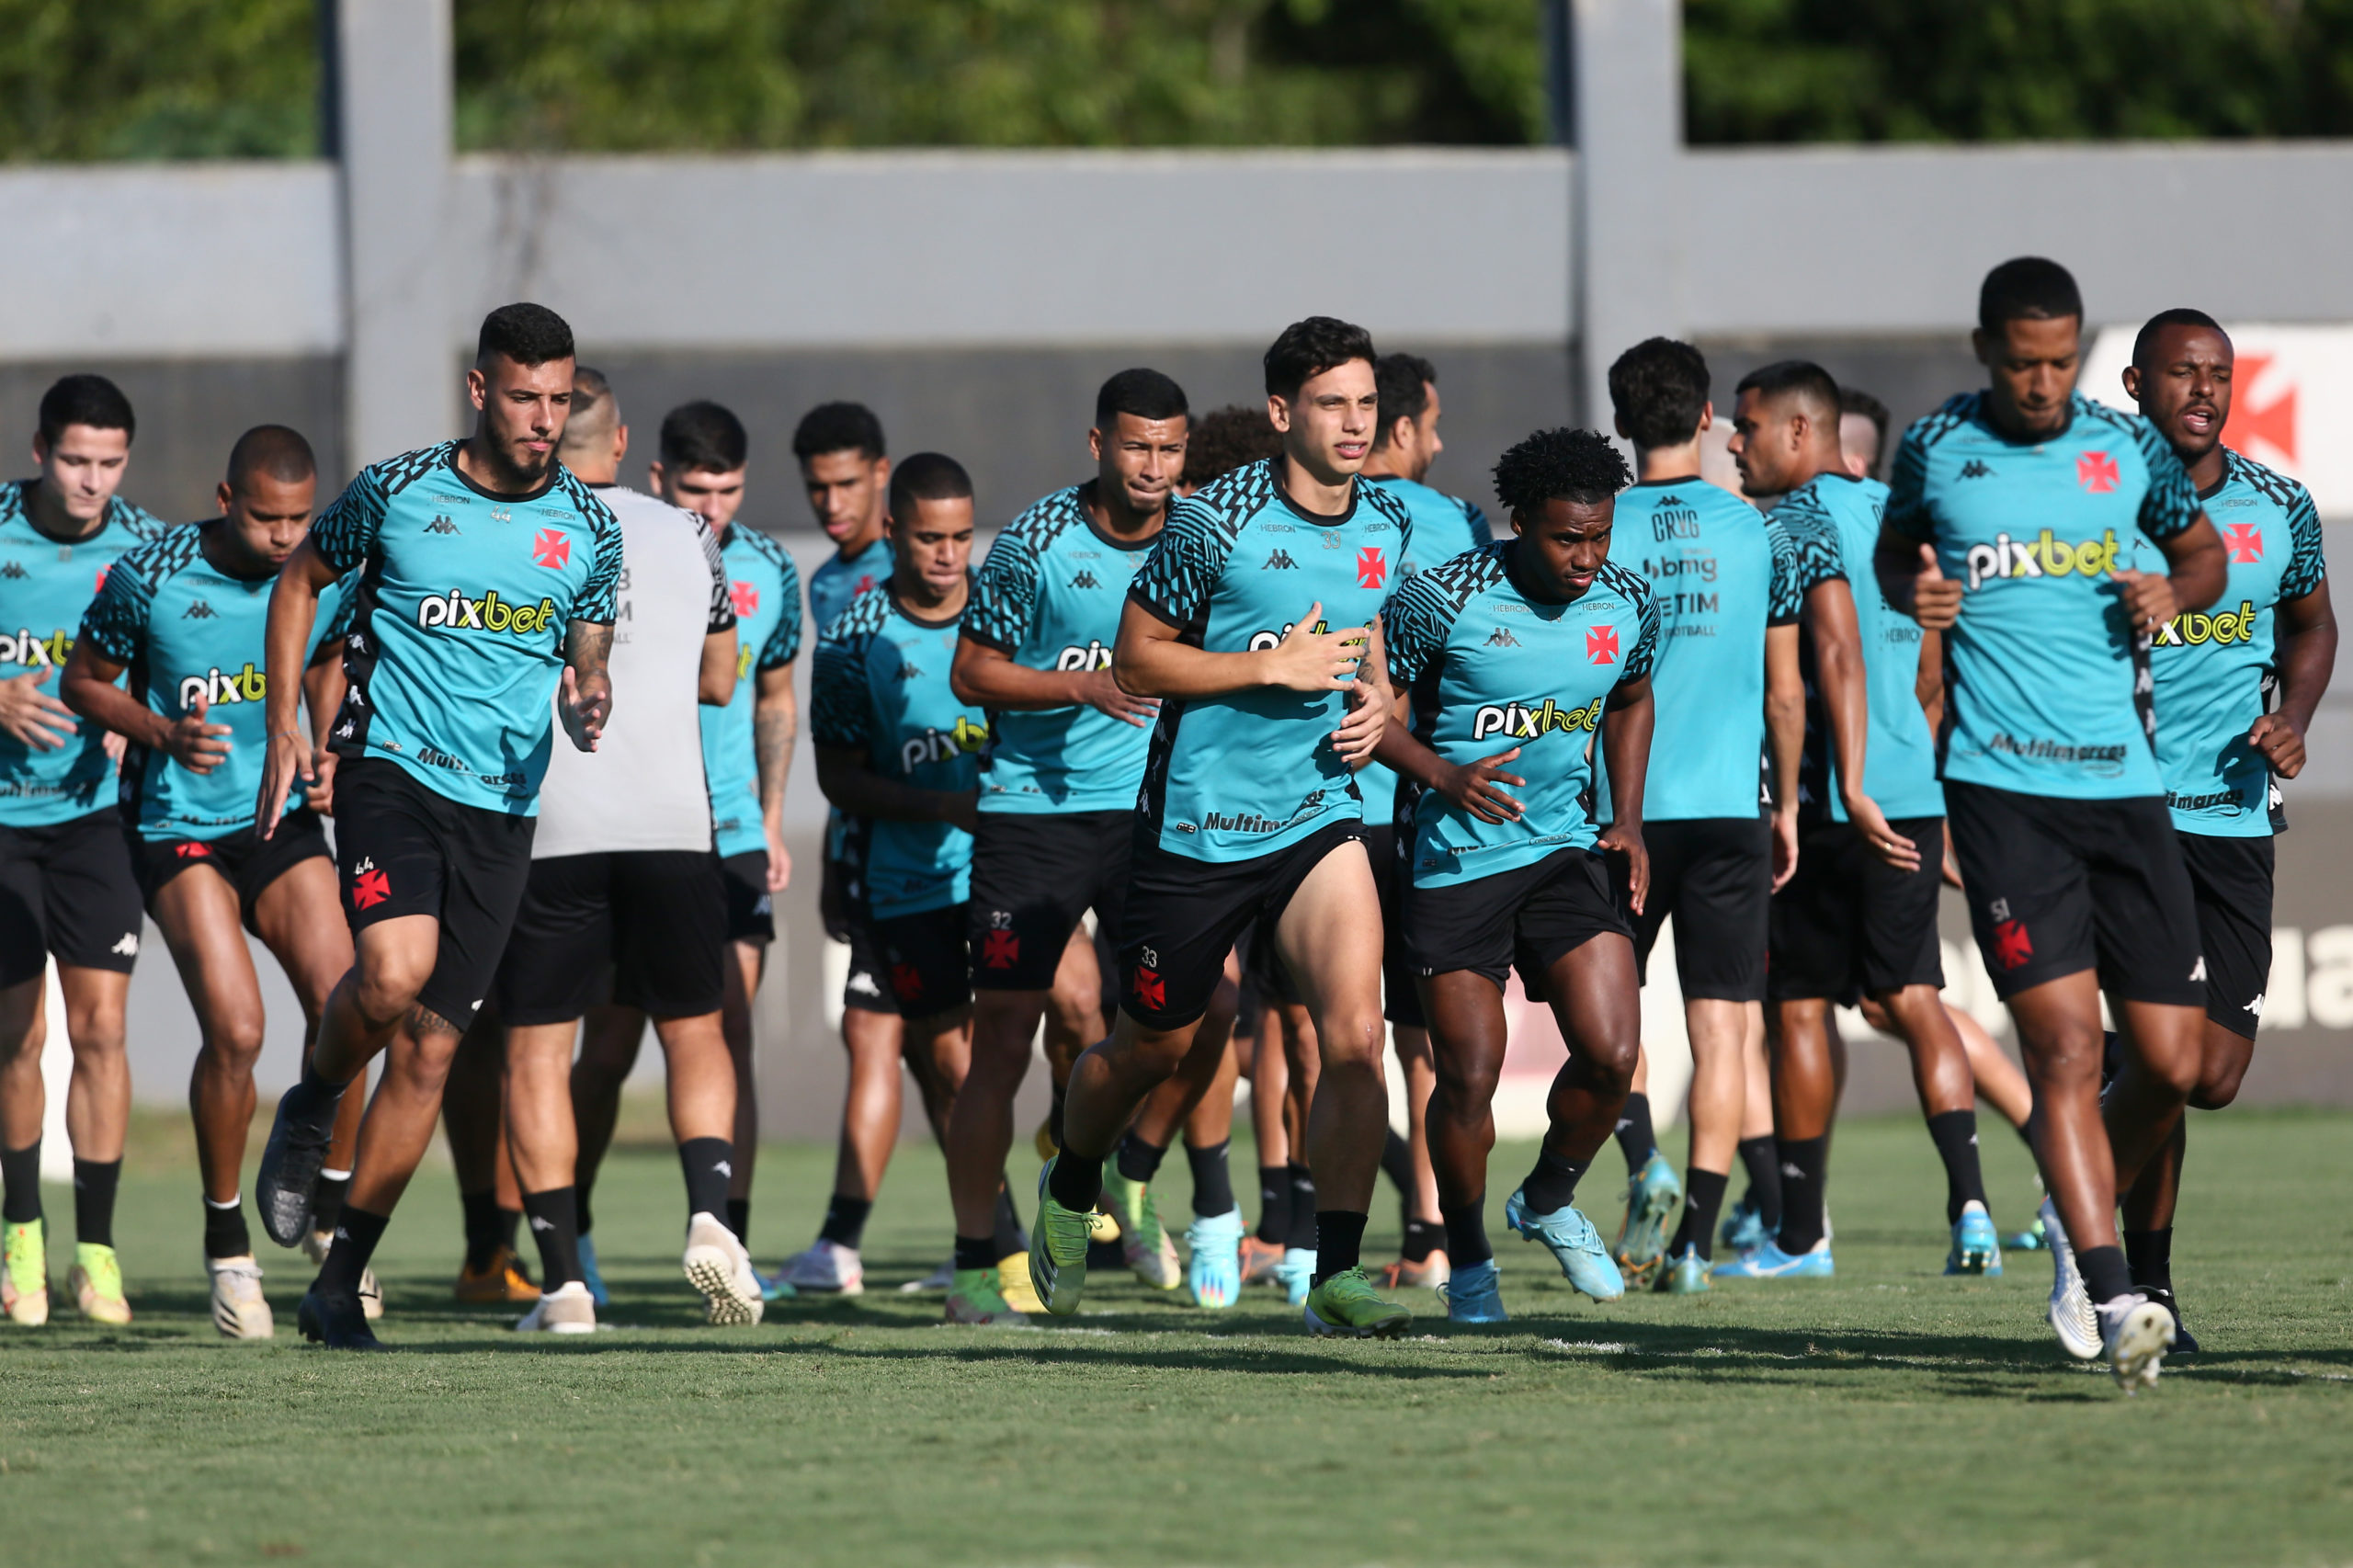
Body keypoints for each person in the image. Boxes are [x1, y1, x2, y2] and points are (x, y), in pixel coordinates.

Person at [1874, 256, 2227, 1392]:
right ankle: (2110, 1285)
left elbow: (2201, 554)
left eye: (2060, 361)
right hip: (2001, 792)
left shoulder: (2126, 449)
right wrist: (1915, 593)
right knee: (2067, 1050)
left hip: (2123, 788)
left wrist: (2174, 592)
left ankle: (2081, 1220)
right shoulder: (1936, 446)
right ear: (1986, 350)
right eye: (2023, 363)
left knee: (2172, 1062)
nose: (2042, 383)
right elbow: (1893, 555)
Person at [1028, 315, 1415, 1339]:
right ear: (1283, 412)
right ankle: (1073, 1179)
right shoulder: (1214, 521)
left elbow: (1371, 639)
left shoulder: (1387, 521)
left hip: (1318, 818)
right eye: (1331, 404)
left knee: (1353, 1038)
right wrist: (1267, 667)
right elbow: (1136, 659)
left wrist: (1380, 705)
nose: (1354, 423)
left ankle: (1335, 1270)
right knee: (1149, 1049)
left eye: (1366, 403)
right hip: (1197, 831)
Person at [250, 301, 623, 1350]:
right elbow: (300, 580)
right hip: (391, 770)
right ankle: (316, 1097)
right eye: (524, 397)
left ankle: (338, 1285)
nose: (543, 420)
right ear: (479, 389)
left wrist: (589, 695)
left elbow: (588, 655)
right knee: (392, 971)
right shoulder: (399, 490)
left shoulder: (590, 530)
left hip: (502, 809)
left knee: (429, 1054)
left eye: (559, 400)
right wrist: (283, 721)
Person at [57, 427, 360, 1337]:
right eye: (266, 518)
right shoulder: (150, 575)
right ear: (226, 500)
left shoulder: (322, 572)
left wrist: (325, 746)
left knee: (353, 1003)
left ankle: (328, 1212)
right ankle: (229, 1247)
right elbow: (82, 682)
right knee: (238, 1028)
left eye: (299, 518)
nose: (284, 536)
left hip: (278, 823)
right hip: (176, 826)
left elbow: (326, 658)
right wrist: (161, 732)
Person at [485, 368, 763, 1333]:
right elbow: (722, 678)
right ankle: (710, 1215)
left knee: (537, 1050)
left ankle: (564, 1280)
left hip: (551, 825)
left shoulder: (508, 529)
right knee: (695, 1029)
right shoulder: (688, 531)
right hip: (673, 821)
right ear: (621, 440)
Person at [1722, 361, 2002, 1280]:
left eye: (1748, 427)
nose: (1736, 444)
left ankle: (1801, 1234)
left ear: (1800, 431)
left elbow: (1808, 672)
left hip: (1824, 805)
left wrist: (1819, 786)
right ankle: (1971, 1207)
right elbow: (1932, 673)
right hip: (1913, 792)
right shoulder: (1900, 516)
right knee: (1915, 997)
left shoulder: (1786, 525)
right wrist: (1911, 762)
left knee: (1799, 1008)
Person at [1376, 425, 1656, 1323]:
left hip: (1564, 850)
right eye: (1566, 538)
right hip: (1454, 860)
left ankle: (1546, 1198)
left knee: (1612, 1054)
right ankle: (1465, 1259)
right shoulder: (1441, 597)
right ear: (1522, 521)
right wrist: (1443, 776)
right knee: (1467, 1078)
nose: (1586, 557)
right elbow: (1370, 712)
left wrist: (1627, 819)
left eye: (1599, 536)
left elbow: (1632, 698)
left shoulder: (1627, 600)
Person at [942, 369, 1201, 1325]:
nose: (1154, 466)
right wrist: (1079, 686)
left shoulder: (1199, 537)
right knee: (1003, 1042)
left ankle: (1117, 1166)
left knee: (1199, 1011)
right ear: (1098, 445)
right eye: (1136, 446)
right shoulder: (1036, 542)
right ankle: (975, 1265)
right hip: (1032, 821)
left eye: (1169, 448)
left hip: (1152, 820)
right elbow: (971, 672)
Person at [2119, 308, 2334, 1351]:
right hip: (2121, 817)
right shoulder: (2093, 506)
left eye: (2217, 373)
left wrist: (2295, 716)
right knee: (2160, 1064)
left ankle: (2084, 1144)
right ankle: (2137, 1286)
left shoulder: (2279, 504)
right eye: (2181, 372)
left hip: (2235, 813)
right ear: (2134, 383)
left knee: (2209, 1077)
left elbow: (2312, 623)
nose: (2202, 390)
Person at [563, 397, 802, 1301]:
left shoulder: (769, 568)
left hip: (728, 830)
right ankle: (573, 1232)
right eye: (697, 488)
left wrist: (771, 816)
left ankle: (728, 1236)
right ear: (656, 474)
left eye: (729, 489)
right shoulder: (629, 543)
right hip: (633, 818)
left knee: (728, 1029)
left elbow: (771, 693)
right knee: (609, 1044)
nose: (714, 506)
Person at [1597, 338, 1805, 1293]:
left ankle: (1646, 1162)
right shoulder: (1758, 529)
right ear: (1708, 415)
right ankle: (1693, 1246)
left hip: (1623, 815)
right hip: (1731, 808)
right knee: (1724, 1033)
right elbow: (1786, 692)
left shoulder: (1596, 529)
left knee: (1611, 1018)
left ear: (1619, 421)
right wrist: (1787, 802)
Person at [0, 375, 165, 1328]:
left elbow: (177, 657)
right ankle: (21, 1232)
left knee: (101, 1031)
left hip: (98, 821)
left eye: (108, 462)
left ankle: (96, 1254)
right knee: (18, 1036)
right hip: (4, 825)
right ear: (39, 452)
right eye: (73, 460)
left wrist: (127, 710)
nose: (91, 481)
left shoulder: (146, 547)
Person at [808, 452, 990, 1292]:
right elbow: (839, 780)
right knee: (945, 1064)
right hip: (906, 885)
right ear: (893, 533)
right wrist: (943, 806)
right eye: (928, 539)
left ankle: (1091, 1191)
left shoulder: (1006, 611)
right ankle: (992, 1244)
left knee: (1074, 1007)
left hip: (1006, 874)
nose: (948, 555)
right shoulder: (851, 641)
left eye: (960, 537)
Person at [1359, 352, 1493, 1290]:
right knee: (1421, 1032)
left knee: (1315, 1032)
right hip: (1418, 799)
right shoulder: (1459, 525)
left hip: (1320, 805)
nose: (1438, 445)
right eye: (1432, 426)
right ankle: (1431, 1230)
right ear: (1400, 427)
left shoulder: (1313, 512)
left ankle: (1283, 1227)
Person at [777, 402, 911, 1295]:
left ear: (881, 474)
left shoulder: (923, 565)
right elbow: (844, 741)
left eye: (846, 483)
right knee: (886, 1034)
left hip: (949, 844)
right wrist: (835, 853)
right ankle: (847, 1242)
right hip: (869, 842)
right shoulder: (826, 584)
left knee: (952, 1049)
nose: (831, 502)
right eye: (816, 487)